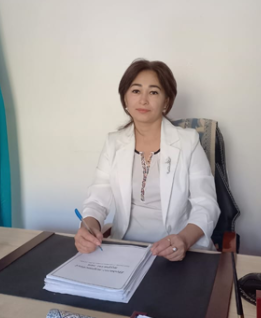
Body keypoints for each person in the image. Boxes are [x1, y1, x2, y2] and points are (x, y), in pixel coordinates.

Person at [75, 59, 220, 261]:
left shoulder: (188, 142)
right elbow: (97, 201)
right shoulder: (113, 143)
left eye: (153, 92)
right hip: (126, 250)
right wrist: (89, 227)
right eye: (136, 91)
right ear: (125, 99)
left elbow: (206, 205)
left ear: (166, 101)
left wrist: (183, 240)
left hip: (177, 251)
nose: (143, 100)